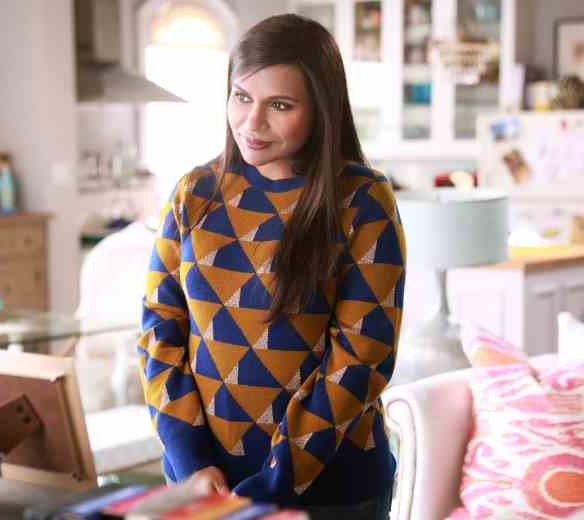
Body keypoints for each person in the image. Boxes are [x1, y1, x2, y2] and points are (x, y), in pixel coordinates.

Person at [138, 13, 405, 518]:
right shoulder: (193, 194)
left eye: (279, 105)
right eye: (242, 97)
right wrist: (191, 462)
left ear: (321, 110)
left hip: (331, 493)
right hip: (202, 488)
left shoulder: (362, 200)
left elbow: (361, 356)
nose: (252, 123)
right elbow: (160, 332)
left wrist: (272, 485)